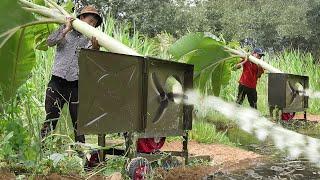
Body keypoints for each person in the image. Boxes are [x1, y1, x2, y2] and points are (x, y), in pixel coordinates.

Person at [40, 5, 103, 143]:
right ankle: (41, 150)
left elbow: (92, 65)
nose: (92, 25)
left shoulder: (90, 40)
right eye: (90, 21)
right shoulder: (65, 28)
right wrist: (65, 30)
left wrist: (96, 50)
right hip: (57, 82)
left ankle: (81, 155)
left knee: (78, 123)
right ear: (81, 18)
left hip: (75, 85)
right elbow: (49, 42)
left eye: (94, 23)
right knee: (51, 118)